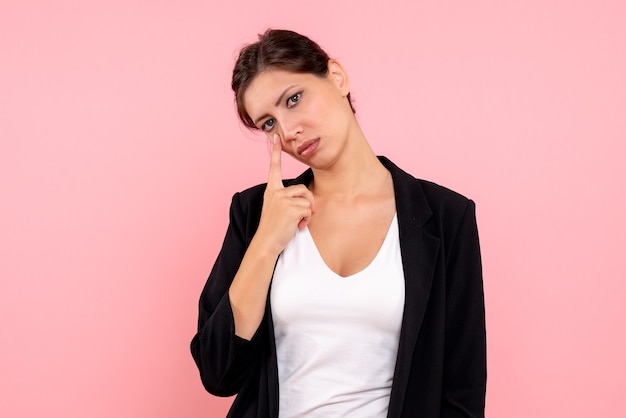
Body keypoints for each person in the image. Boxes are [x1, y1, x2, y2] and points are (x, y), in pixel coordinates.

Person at [190, 29, 486, 418]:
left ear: (337, 77)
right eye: (268, 123)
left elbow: (461, 394)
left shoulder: (446, 218)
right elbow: (217, 373)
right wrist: (265, 243)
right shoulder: (255, 212)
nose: (288, 131)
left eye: (293, 99)